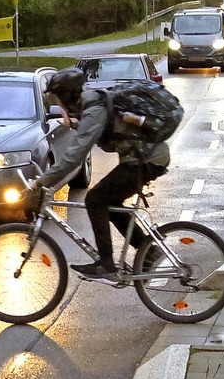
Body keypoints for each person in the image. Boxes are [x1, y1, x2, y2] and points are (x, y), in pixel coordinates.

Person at [28, 68, 168, 284]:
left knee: (95, 199)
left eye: (57, 98)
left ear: (66, 95)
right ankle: (149, 251)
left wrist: (41, 181)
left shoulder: (93, 108)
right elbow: (99, 128)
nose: (58, 103)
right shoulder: (92, 104)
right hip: (145, 158)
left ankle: (106, 264)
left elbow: (75, 156)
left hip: (144, 160)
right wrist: (74, 124)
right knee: (109, 202)